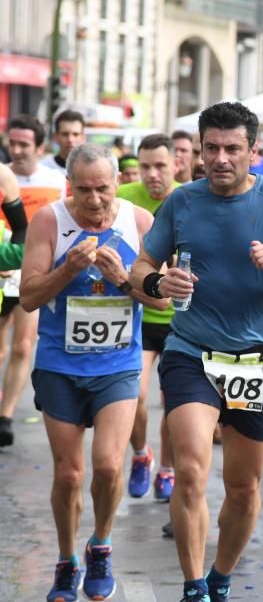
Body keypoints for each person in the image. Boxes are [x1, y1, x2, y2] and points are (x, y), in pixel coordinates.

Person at [129, 102, 263, 602]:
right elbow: (139, 270)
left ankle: (220, 578)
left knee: (243, 489)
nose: (220, 159)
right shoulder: (182, 202)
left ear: (253, 152)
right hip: (191, 351)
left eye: (232, 149)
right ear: (198, 150)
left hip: (256, 360)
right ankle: (194, 587)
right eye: (210, 148)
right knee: (192, 471)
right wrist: (158, 280)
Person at [20, 142, 162, 602]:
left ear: (118, 182)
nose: (94, 200)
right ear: (69, 187)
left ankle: (100, 543)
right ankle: (67, 560)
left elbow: (162, 302)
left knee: (105, 465)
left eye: (102, 188)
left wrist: (125, 279)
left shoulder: (140, 224)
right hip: (60, 363)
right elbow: (28, 297)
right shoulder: (50, 222)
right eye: (83, 190)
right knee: (68, 475)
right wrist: (67, 269)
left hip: (118, 364)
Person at [117, 133, 183, 501]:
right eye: (144, 167)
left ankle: (168, 469)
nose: (152, 174)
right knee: (135, 395)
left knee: (175, 402)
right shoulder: (124, 200)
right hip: (139, 314)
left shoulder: (189, 199)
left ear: (176, 165)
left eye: (160, 166)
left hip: (182, 321)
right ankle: (142, 455)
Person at [0, 114, 63, 447]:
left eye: (25, 143)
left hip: (32, 270)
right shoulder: (3, 176)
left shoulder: (55, 181)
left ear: (40, 147)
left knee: (24, 346)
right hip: (2, 270)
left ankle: (5, 416)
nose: (18, 149)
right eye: (13, 142)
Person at [42, 110, 86, 174]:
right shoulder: (44, 168)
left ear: (83, 137)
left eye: (75, 134)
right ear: (56, 137)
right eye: (65, 134)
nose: (70, 140)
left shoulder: (92, 170)